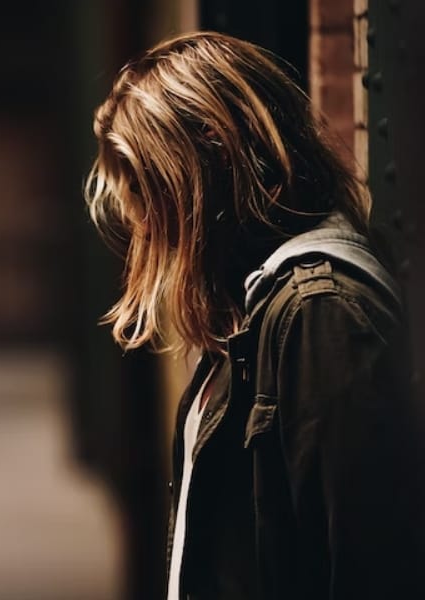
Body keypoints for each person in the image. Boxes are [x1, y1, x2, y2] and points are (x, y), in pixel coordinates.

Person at [84, 31, 425, 600]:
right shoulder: (259, 306)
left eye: (152, 189)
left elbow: (372, 566)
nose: (145, 225)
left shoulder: (322, 311)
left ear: (213, 153)